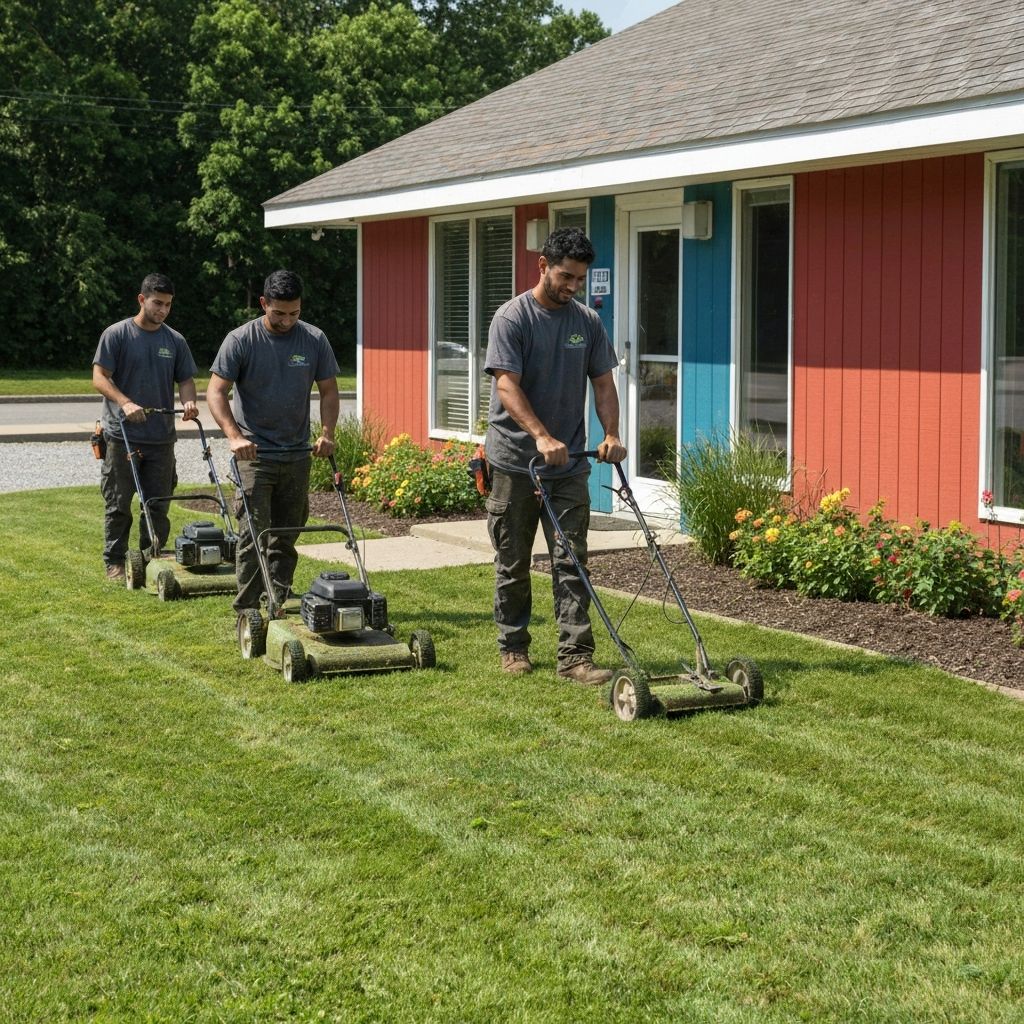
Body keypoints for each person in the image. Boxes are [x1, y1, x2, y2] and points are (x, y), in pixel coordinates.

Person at [484, 227, 627, 685]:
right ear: (542, 266)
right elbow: (507, 383)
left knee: (572, 559)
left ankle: (575, 658)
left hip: (568, 466)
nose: (572, 287)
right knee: (513, 560)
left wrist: (612, 433)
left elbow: (603, 382)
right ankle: (513, 646)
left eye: (580, 279)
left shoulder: (586, 322)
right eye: (566, 276)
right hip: (514, 462)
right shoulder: (513, 319)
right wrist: (542, 437)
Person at [207, 269, 339, 614]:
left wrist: (327, 434)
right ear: (264, 303)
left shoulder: (313, 339)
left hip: (296, 452)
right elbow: (216, 391)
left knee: (287, 532)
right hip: (254, 454)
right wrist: (235, 437)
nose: (287, 320)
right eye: (279, 313)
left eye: (294, 313)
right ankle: (246, 609)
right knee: (254, 532)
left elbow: (328, 391)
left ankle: (278, 596)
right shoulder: (241, 340)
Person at [92, 272, 199, 580]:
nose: (162, 310)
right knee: (119, 503)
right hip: (121, 436)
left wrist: (190, 402)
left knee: (158, 504)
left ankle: (151, 556)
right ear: (142, 299)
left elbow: (186, 380)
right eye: (157, 303)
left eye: (167, 305)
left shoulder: (174, 340)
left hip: (161, 437)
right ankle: (114, 560)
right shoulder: (117, 334)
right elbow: (99, 377)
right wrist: (125, 402)